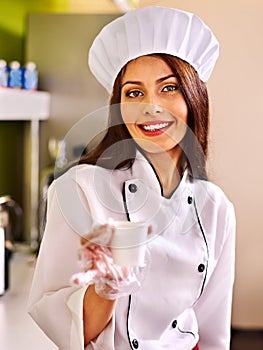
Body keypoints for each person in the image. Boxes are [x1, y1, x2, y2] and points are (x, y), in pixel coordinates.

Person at [28, 6, 236, 350]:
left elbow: (214, 333)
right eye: (134, 93)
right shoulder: (79, 190)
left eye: (168, 88)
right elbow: (66, 328)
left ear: (194, 97)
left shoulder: (217, 208)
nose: (150, 106)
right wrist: (106, 289)